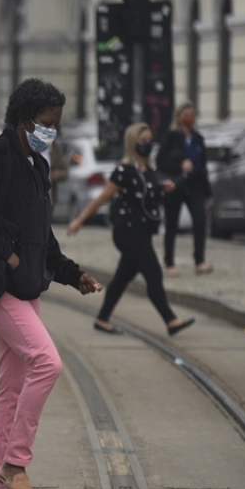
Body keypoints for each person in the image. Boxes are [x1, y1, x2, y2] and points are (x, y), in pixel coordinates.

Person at [0, 79, 103, 489]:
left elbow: (43, 239)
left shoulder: (36, 167)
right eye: (46, 124)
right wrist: (11, 258)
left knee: (12, 388)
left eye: (56, 125)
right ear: (23, 122)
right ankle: (15, 464)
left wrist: (72, 274)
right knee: (47, 362)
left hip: (26, 291)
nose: (51, 133)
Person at [68, 122, 195, 336]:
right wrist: (80, 220)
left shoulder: (150, 170)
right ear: (132, 143)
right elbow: (103, 197)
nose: (147, 145)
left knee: (122, 278)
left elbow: (148, 193)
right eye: (142, 141)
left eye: (149, 140)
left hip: (143, 232)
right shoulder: (124, 170)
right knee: (153, 272)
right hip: (127, 231)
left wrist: (163, 187)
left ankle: (102, 318)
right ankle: (171, 320)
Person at [156, 102, 214, 276]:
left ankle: (199, 260)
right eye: (186, 114)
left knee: (200, 220)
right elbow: (161, 161)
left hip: (194, 184)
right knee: (172, 224)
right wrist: (180, 165)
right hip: (175, 184)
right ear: (179, 117)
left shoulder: (198, 139)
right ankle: (169, 262)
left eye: (192, 114)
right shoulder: (172, 137)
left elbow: (203, 167)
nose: (190, 118)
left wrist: (208, 192)